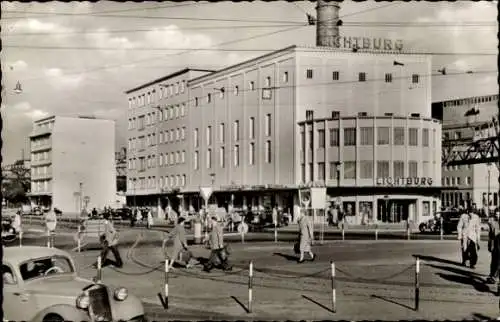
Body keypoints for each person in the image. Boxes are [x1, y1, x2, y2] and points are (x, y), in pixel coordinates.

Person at [486, 211, 500, 284]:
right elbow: (490, 236)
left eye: (498, 214)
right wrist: (490, 245)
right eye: (496, 214)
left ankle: (494, 276)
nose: (497, 216)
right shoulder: (492, 223)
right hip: (495, 244)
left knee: (498, 262)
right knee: (494, 261)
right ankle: (492, 275)